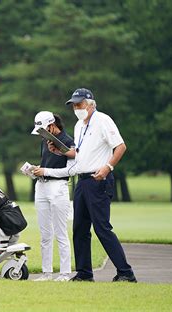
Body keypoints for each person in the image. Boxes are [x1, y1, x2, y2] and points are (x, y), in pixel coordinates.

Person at [37, 88, 137, 283]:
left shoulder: (103, 120)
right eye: (74, 105)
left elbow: (121, 146)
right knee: (80, 228)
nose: (76, 108)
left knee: (102, 228)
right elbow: (80, 154)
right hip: (82, 180)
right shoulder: (78, 125)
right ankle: (84, 273)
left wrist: (107, 167)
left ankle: (126, 272)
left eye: (80, 104)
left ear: (91, 104)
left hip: (99, 180)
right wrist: (60, 152)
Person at [31, 111, 73, 282]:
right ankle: (46, 272)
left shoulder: (68, 141)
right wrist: (36, 170)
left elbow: (70, 170)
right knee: (45, 234)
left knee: (60, 232)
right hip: (41, 186)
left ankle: (64, 273)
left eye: (43, 129)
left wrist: (46, 171)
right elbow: (45, 164)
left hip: (58, 188)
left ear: (51, 125)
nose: (41, 134)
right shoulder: (45, 141)